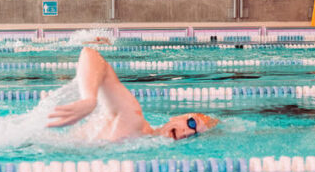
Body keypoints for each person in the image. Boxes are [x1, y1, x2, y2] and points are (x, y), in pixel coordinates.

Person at [46, 47, 217, 141]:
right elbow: (89, 54)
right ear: (176, 117)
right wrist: (89, 99)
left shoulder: (141, 139)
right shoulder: (133, 118)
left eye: (194, 135)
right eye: (192, 123)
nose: (187, 132)